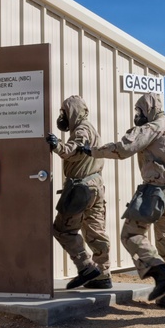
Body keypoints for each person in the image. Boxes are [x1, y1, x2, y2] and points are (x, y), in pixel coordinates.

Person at [85, 93, 165, 309]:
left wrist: (91, 151)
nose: (136, 116)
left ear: (147, 110)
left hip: (155, 191)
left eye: (138, 111)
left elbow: (123, 149)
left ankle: (162, 272)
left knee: (130, 234)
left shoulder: (151, 128)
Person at [45, 95, 112, 290]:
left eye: (64, 112)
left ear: (71, 112)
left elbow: (72, 151)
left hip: (81, 188)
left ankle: (86, 267)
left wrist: (57, 145)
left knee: (62, 229)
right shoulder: (90, 128)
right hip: (96, 186)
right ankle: (103, 275)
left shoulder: (81, 130)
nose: (62, 117)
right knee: (95, 231)